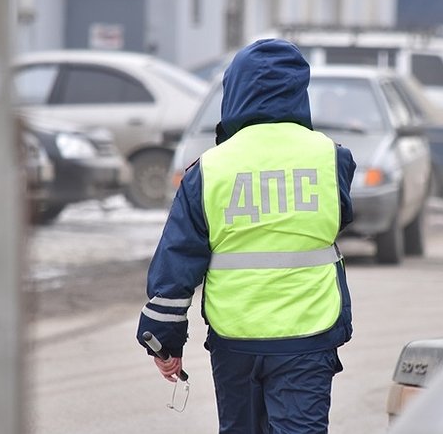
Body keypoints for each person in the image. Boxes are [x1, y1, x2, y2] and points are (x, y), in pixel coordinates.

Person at [136, 38, 356, 433]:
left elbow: (177, 261)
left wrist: (163, 342)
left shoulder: (208, 170)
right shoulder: (332, 158)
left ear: (234, 92)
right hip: (309, 334)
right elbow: (340, 218)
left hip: (234, 338)